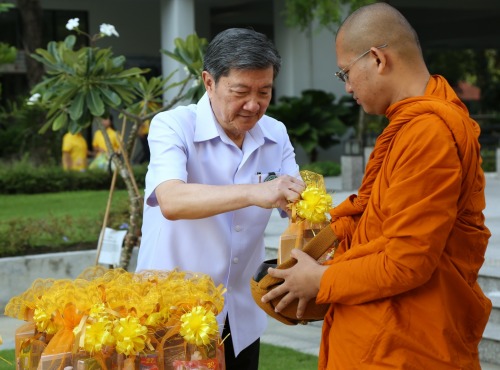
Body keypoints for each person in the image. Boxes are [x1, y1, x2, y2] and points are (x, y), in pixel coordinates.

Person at [262, 3, 492, 369]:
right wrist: (319, 228)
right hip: (379, 331)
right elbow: (376, 215)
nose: (348, 86)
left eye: (345, 73)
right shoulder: (413, 121)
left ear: (378, 60)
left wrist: (321, 280)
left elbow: (407, 262)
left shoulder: (428, 131)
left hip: (404, 345)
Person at [135, 28, 305, 369]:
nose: (254, 105)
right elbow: (171, 200)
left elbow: (298, 207)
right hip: (173, 315)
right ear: (209, 82)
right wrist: (257, 193)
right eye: (240, 92)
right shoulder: (172, 126)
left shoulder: (275, 132)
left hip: (242, 314)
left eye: (265, 92)